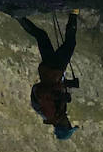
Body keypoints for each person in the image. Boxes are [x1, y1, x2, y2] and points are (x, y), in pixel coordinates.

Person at [16, 11, 79, 140]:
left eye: (69, 125)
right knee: (41, 36)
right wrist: (64, 88)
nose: (69, 122)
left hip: (53, 69)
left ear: (62, 126)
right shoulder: (56, 114)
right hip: (48, 70)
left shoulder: (51, 114)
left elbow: (46, 91)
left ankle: (74, 13)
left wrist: (64, 89)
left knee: (70, 44)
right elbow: (51, 89)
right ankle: (18, 17)